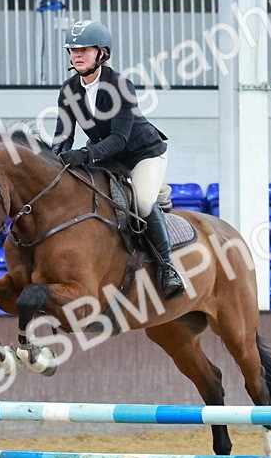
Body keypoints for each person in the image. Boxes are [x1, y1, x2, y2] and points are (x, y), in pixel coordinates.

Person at [50, 20, 185, 299]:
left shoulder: (121, 84)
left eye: (84, 50)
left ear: (102, 53)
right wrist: (53, 163)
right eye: (72, 50)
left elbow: (120, 138)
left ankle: (167, 268)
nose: (76, 56)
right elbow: (63, 136)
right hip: (104, 157)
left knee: (142, 202)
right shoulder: (68, 90)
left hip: (141, 154)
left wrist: (84, 154)